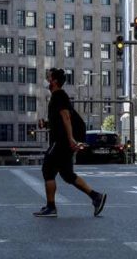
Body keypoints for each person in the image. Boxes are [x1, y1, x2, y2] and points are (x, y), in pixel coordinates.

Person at [34, 68, 107, 218]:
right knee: (67, 174)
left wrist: (70, 139)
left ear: (54, 80)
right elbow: (60, 120)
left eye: (48, 77)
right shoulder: (57, 96)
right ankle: (96, 197)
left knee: (47, 169)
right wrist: (47, 124)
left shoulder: (59, 96)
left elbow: (66, 117)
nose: (46, 79)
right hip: (63, 140)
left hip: (61, 142)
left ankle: (51, 207)